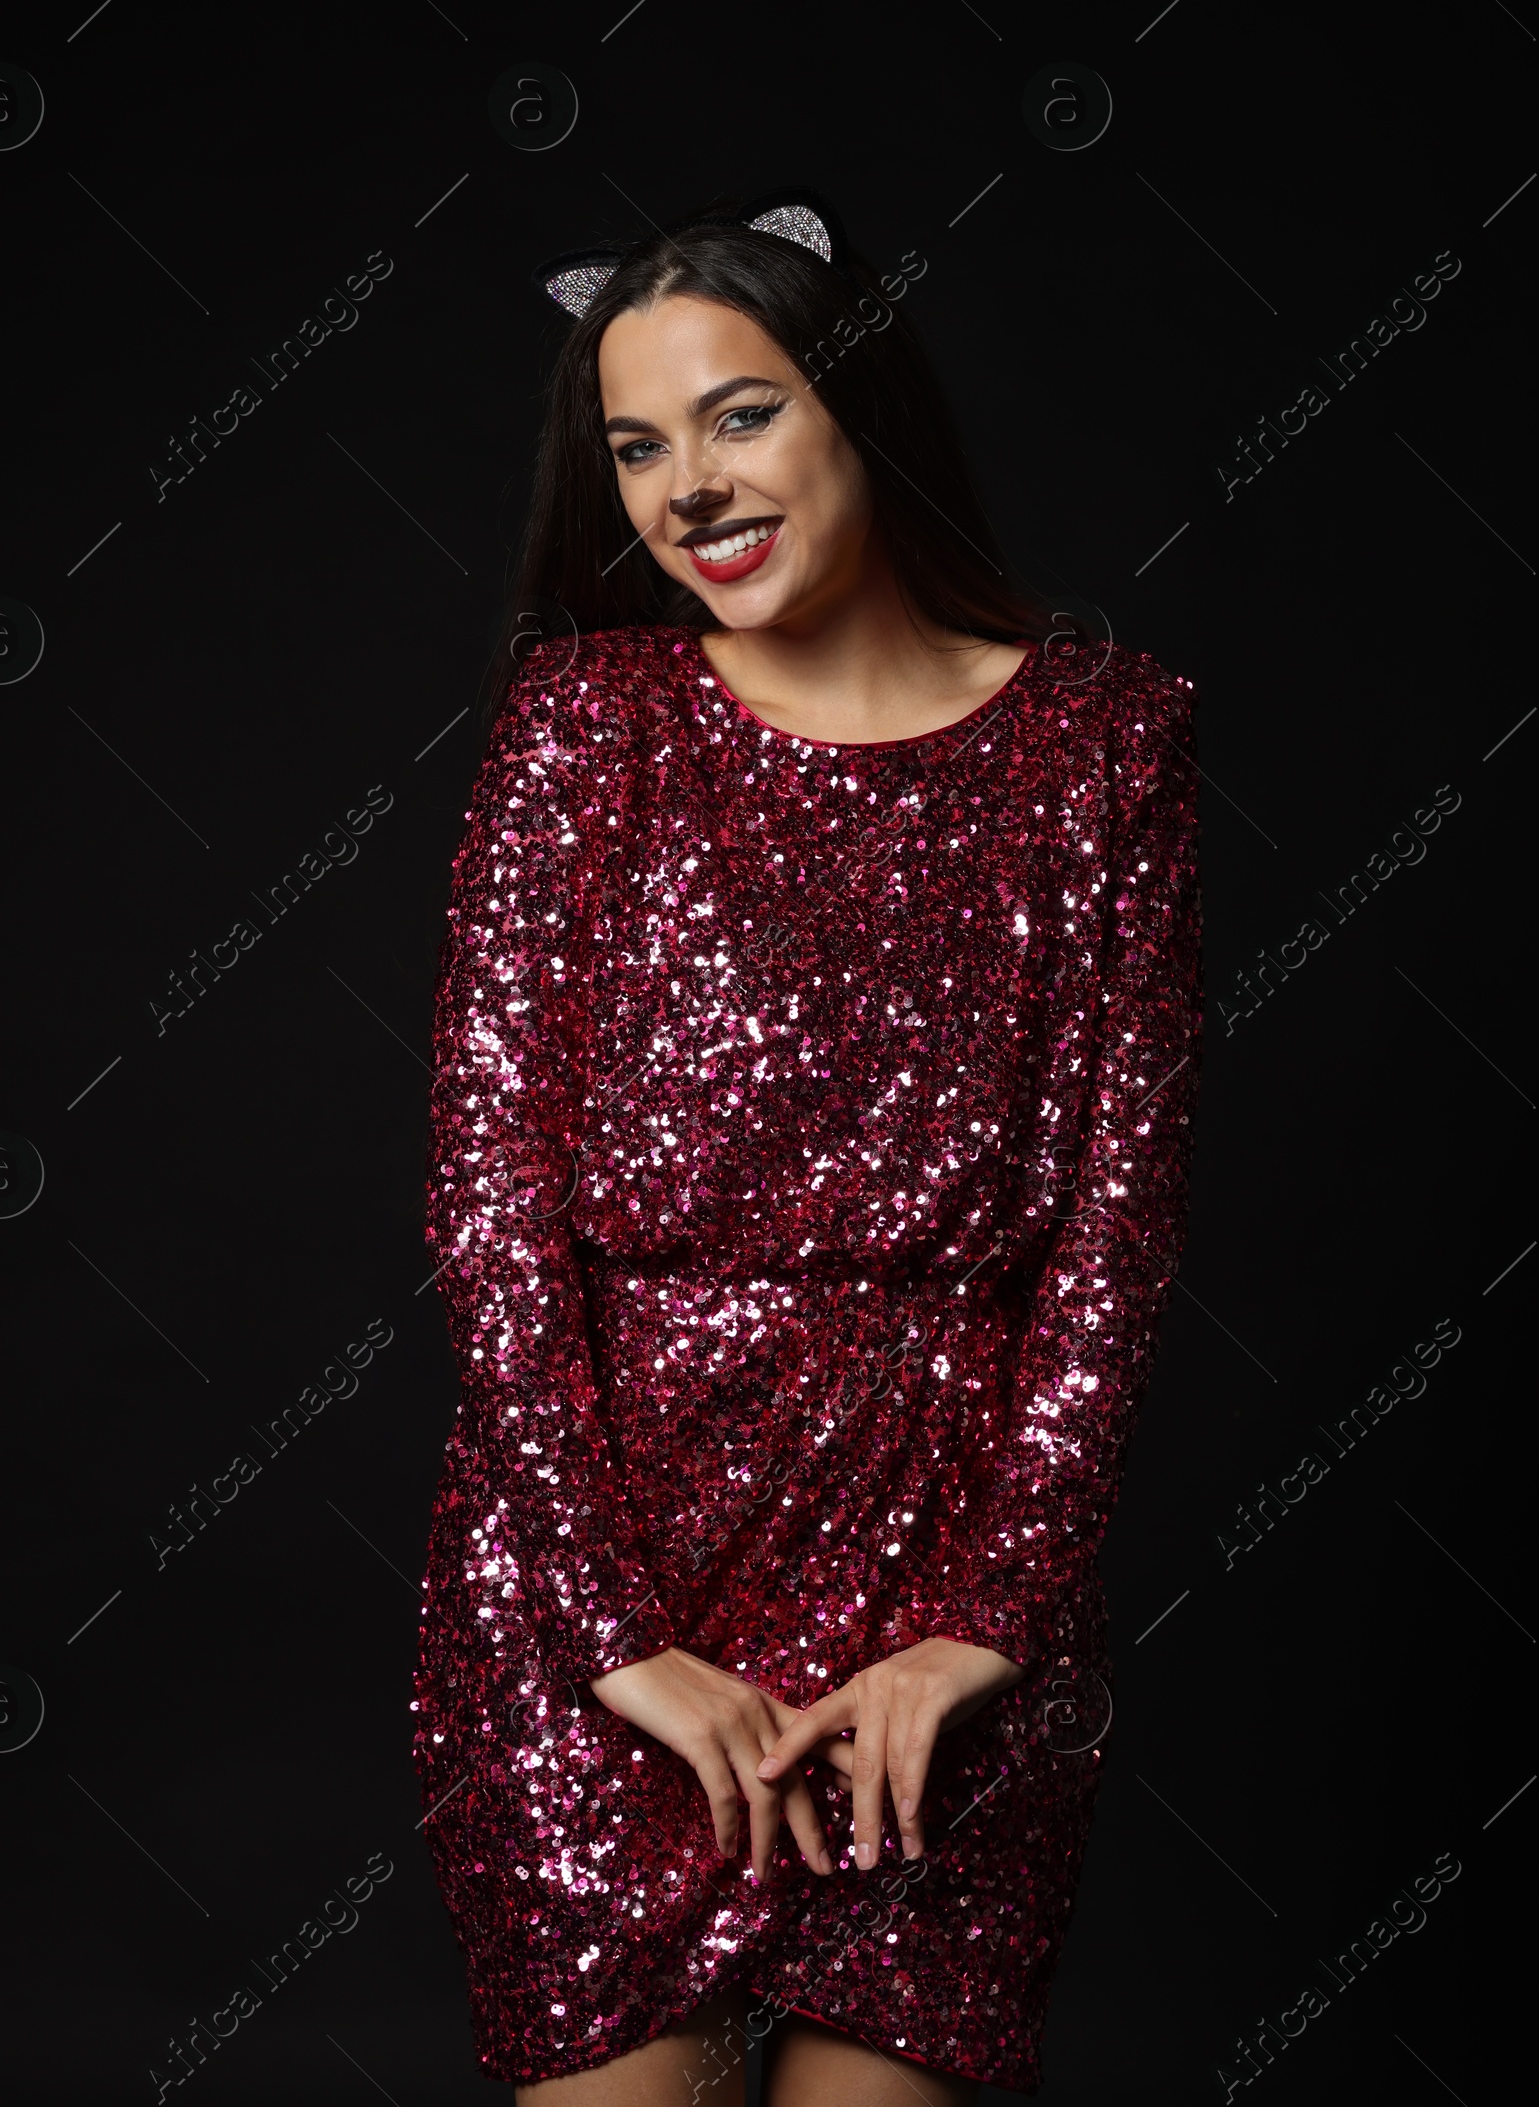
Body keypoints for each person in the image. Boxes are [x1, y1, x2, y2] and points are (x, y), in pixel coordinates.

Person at [412, 197, 1204, 2103]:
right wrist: (615, 1642)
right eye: (635, 446)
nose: (687, 487)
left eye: (738, 416)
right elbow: (491, 1207)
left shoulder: (1107, 743)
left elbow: (1114, 1229)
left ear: (861, 409)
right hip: (607, 1609)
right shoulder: (585, 729)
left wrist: (986, 1628)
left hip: (941, 1619)